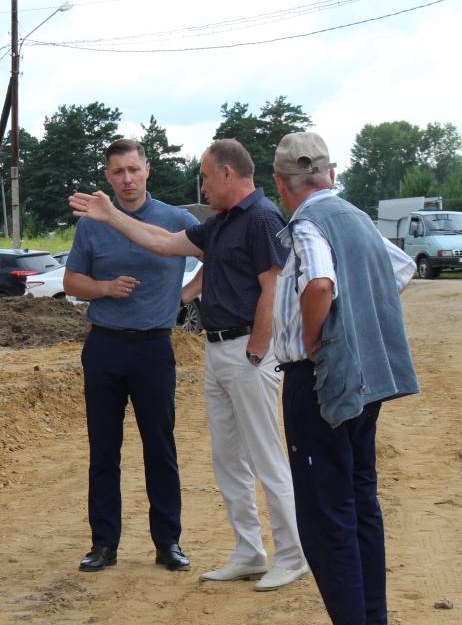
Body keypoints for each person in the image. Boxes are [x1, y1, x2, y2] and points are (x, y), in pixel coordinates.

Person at [69, 139, 309, 592]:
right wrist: (112, 218)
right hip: (213, 350)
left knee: (265, 457)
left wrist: (259, 349)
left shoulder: (261, 219)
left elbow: (273, 288)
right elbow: (163, 243)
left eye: (203, 175)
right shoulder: (221, 224)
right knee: (228, 459)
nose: (200, 184)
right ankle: (249, 553)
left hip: (244, 352)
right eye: (117, 171)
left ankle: (292, 555)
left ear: (226, 174)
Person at [267, 133, 419, 625]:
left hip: (321, 383)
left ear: (282, 185)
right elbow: (401, 270)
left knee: (326, 511)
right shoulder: (356, 218)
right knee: (359, 505)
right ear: (329, 174)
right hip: (363, 385)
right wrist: (357, 326)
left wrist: (316, 338)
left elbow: (321, 283)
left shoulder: (308, 225)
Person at [64, 139, 199, 573]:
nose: (127, 179)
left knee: (160, 448)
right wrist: (104, 288)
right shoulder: (91, 224)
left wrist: (184, 297)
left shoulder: (176, 220)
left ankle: (168, 543)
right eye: (118, 171)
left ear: (147, 170)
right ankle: (104, 544)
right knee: (104, 449)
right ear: (108, 176)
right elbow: (70, 281)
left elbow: (220, 257)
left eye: (133, 170)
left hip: (154, 348)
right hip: (104, 345)